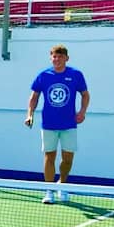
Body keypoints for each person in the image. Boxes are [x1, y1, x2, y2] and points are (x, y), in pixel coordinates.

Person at [25, 44, 90, 204]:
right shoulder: (43, 75)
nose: (57, 59)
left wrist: (82, 112)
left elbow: (85, 95)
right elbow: (34, 97)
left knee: (67, 158)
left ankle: (62, 184)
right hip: (48, 124)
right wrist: (29, 115)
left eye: (60, 57)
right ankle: (49, 190)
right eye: (54, 56)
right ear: (51, 58)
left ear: (66, 58)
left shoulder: (76, 75)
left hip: (69, 124)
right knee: (49, 156)